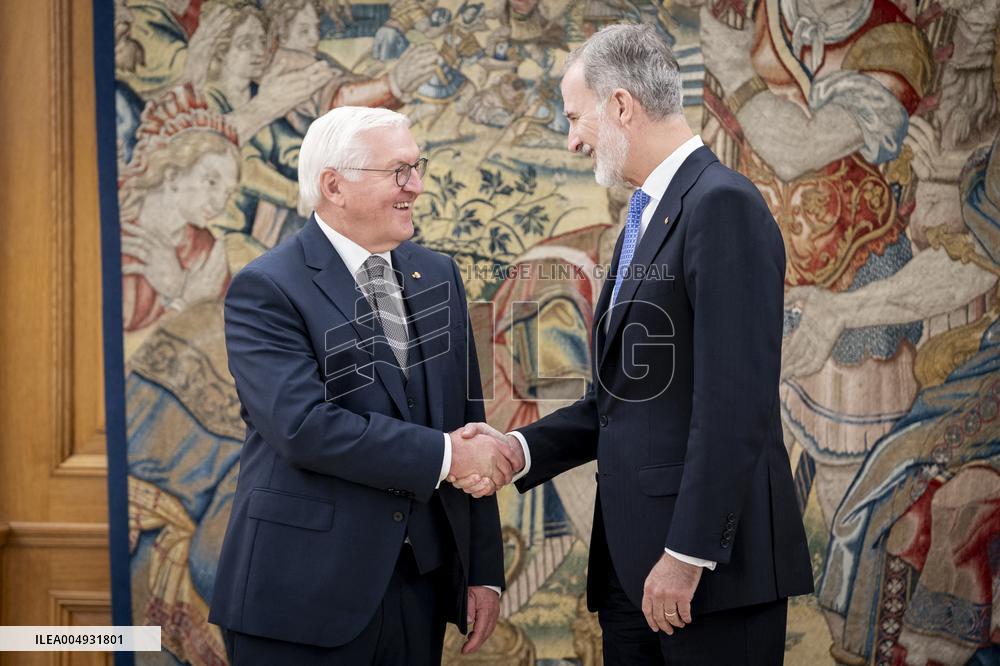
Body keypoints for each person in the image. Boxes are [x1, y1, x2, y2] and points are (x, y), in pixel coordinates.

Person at [454, 24, 814, 664]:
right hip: (632, 573)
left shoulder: (722, 205)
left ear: (621, 104)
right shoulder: (644, 217)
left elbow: (736, 404)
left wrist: (687, 554)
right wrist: (517, 447)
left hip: (703, 578)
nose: (571, 141)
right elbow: (622, 399)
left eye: (574, 117)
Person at [208, 106, 518, 664]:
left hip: (418, 594)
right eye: (398, 171)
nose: (416, 187)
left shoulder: (439, 274)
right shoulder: (267, 288)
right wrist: (448, 456)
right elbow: (304, 428)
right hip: (300, 596)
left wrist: (483, 572)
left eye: (416, 168)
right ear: (334, 185)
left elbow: (469, 422)